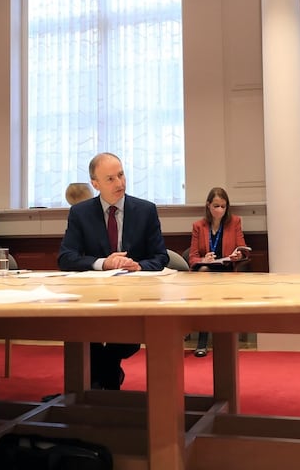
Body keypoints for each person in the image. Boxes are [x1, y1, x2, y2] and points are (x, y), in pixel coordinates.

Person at [58, 152, 169, 389]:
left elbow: (161, 257)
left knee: (126, 337)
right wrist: (102, 263)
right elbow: (66, 258)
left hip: (134, 298)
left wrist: (139, 266)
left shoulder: (145, 210)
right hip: (91, 299)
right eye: (110, 179)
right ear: (95, 184)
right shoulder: (80, 213)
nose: (119, 183)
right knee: (83, 335)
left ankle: (100, 380)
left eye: (121, 175)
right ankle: (108, 378)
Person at [188, 187, 248, 357]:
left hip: (227, 267)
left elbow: (243, 249)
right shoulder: (198, 226)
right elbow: (192, 257)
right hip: (207, 269)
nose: (220, 210)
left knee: (207, 279)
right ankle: (203, 339)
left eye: (223, 206)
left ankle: (213, 339)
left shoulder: (234, 222)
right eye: (216, 206)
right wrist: (203, 259)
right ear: (208, 205)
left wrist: (238, 254)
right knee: (205, 272)